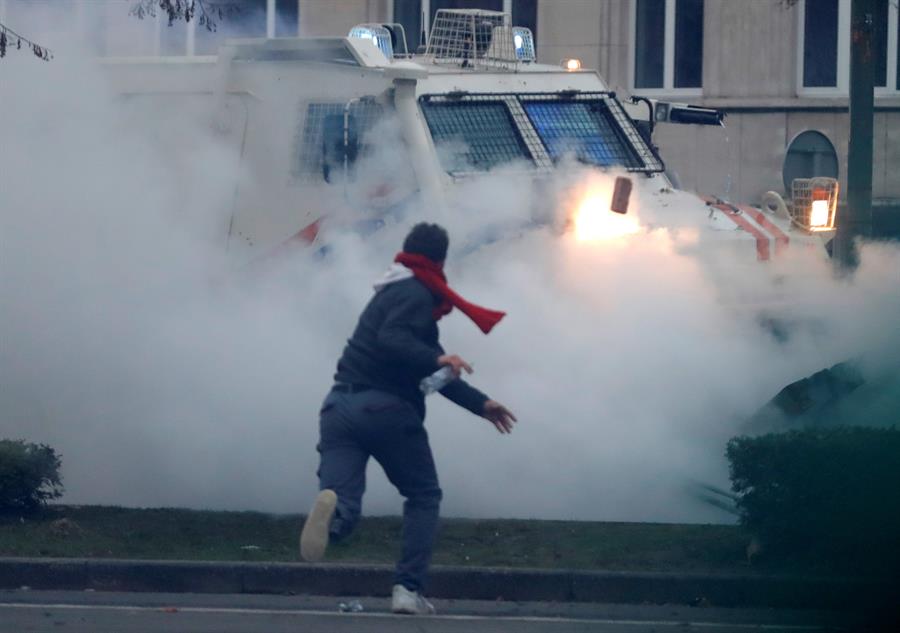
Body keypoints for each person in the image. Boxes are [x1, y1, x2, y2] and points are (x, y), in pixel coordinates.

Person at [300, 222, 516, 615]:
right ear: (440, 261)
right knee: (423, 495)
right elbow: (397, 342)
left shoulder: (387, 295)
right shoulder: (415, 294)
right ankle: (406, 590)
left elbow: (432, 373)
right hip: (386, 410)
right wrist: (437, 358)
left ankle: (331, 518)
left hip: (338, 408)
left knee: (341, 506)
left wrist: (480, 403)